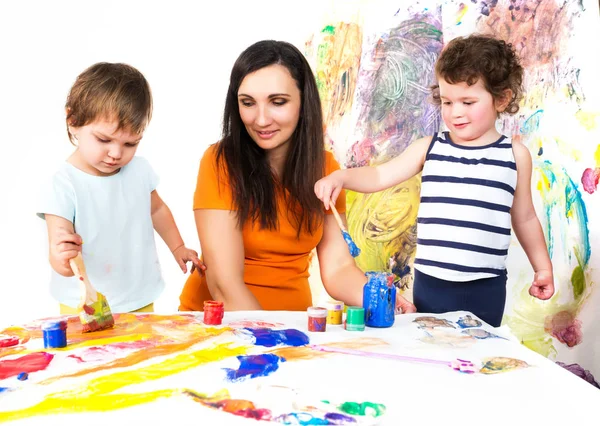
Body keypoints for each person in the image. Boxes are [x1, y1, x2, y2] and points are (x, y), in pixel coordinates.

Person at [314, 35, 554, 326]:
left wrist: (542, 268)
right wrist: (342, 177)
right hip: (432, 284)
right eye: (447, 101)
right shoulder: (430, 148)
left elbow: (525, 217)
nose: (455, 113)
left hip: (486, 288)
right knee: (431, 351)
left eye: (468, 101)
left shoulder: (515, 155)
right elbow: (379, 175)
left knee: (478, 357)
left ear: (501, 98)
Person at [179, 40, 416, 313]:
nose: (261, 119)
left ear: (304, 101)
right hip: (224, 328)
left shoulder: (326, 167)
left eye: (277, 102)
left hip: (294, 328)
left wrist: (386, 302)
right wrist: (272, 339)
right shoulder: (220, 162)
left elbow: (338, 268)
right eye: (248, 103)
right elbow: (224, 285)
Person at [38, 62, 204, 314]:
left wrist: (178, 247)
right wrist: (61, 258)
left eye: (130, 143)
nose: (116, 153)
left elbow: (157, 209)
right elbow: (58, 246)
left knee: (139, 352)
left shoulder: (139, 170)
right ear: (73, 120)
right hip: (85, 302)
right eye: (103, 139)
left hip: (138, 296)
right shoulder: (64, 184)